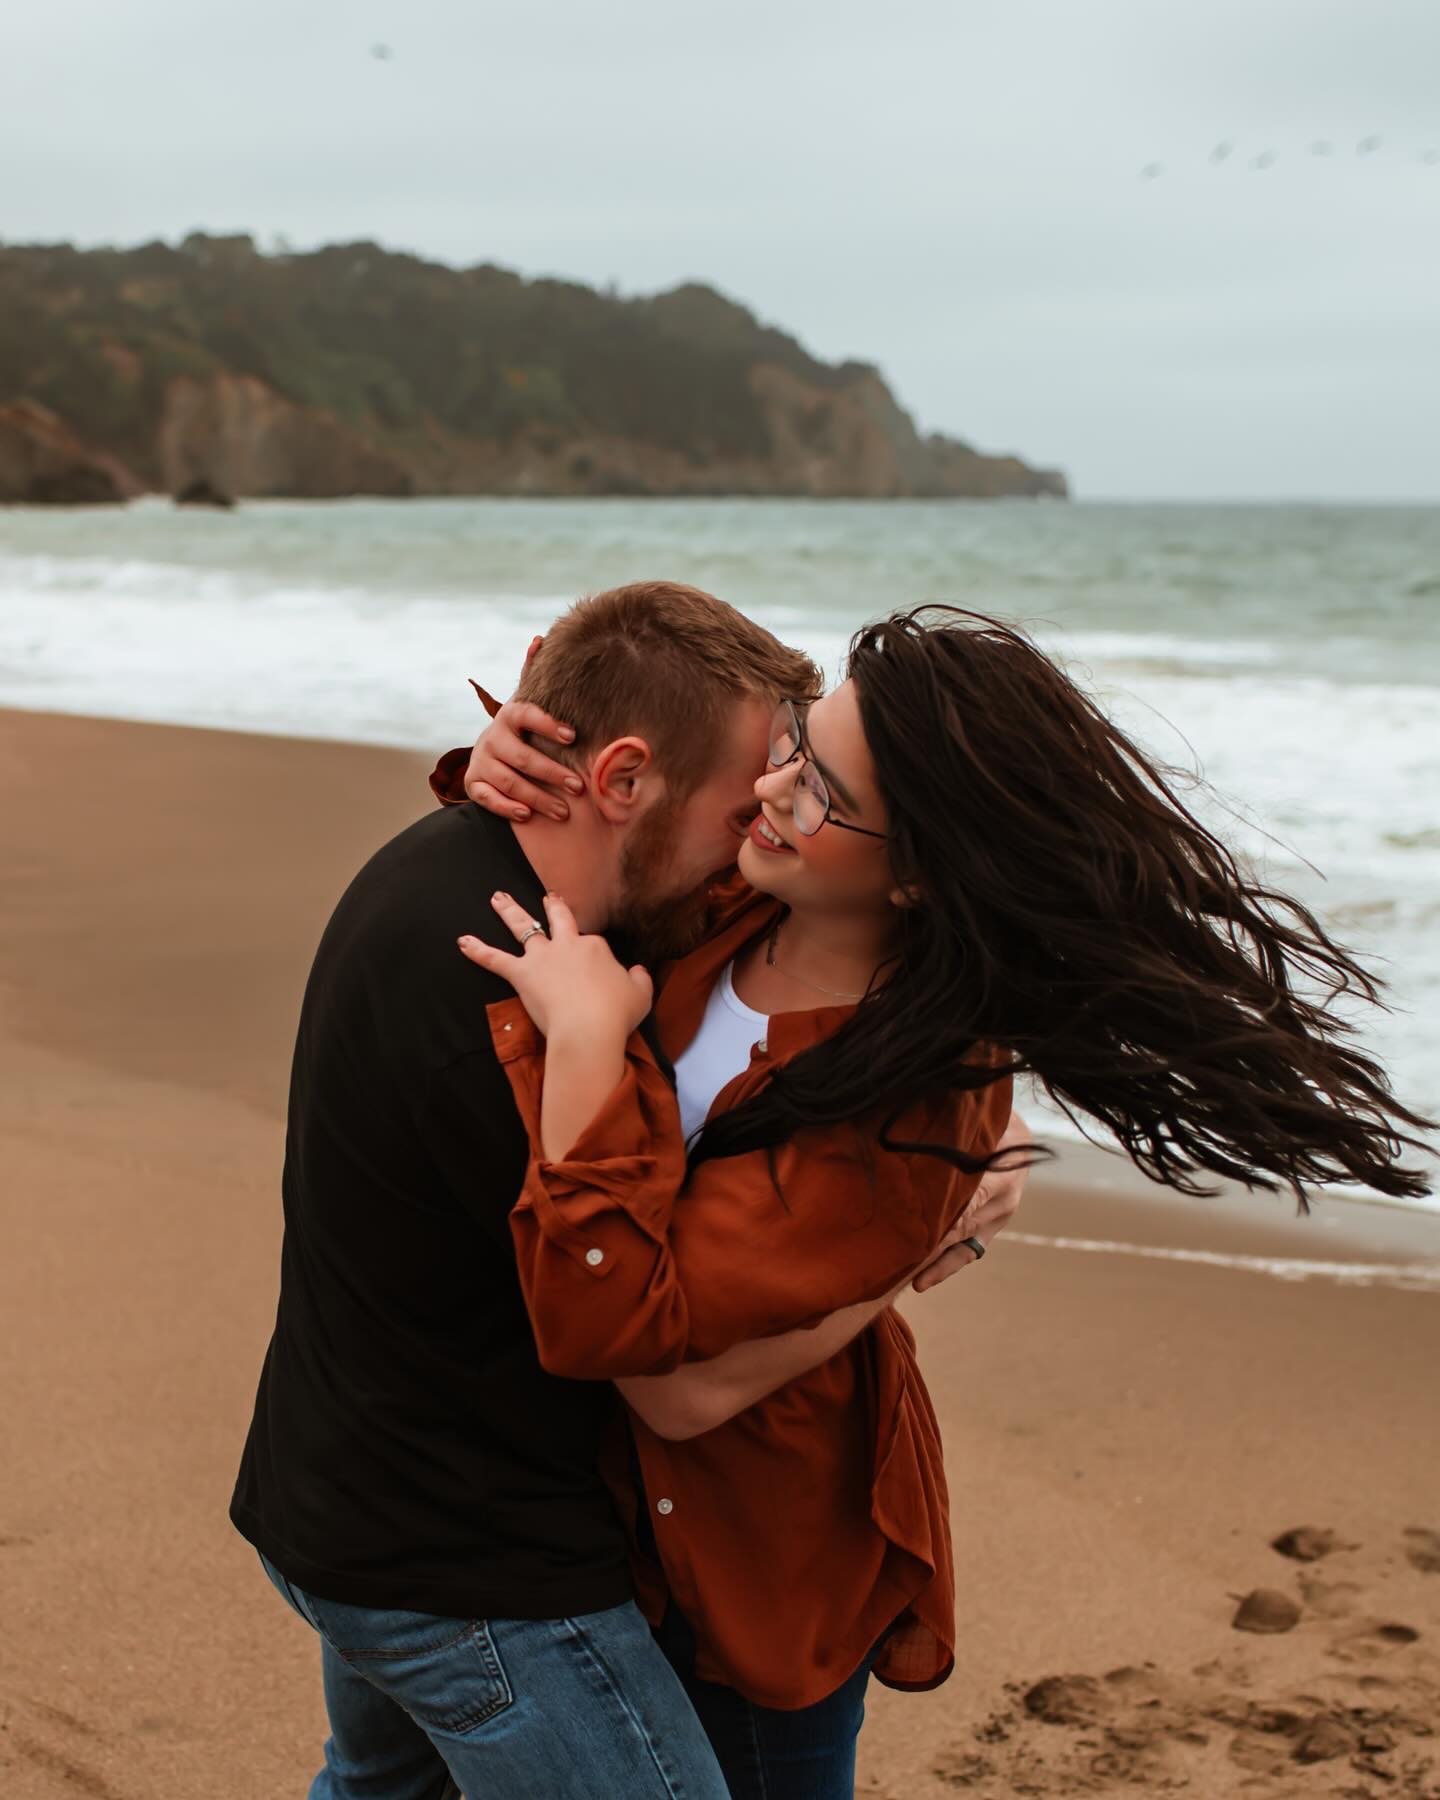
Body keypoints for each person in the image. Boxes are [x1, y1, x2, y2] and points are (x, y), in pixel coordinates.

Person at [450, 602, 1436, 1799]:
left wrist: (602, 1064)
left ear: (915, 874)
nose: (774, 792)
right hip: (608, 1532)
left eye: (822, 795)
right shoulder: (741, 904)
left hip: (767, 1559)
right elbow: (623, 833)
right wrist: (508, 764)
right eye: (795, 748)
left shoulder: (914, 1097)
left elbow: (674, 1386)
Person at [233, 580, 1027, 1800]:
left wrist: (937, 1189)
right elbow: (659, 1376)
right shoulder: (534, 1005)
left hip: (454, 1506)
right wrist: (895, 1264)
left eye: (803, 776)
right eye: (766, 776)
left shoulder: (611, 904)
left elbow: (875, 970)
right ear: (617, 784)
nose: (765, 810)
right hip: (462, 1552)